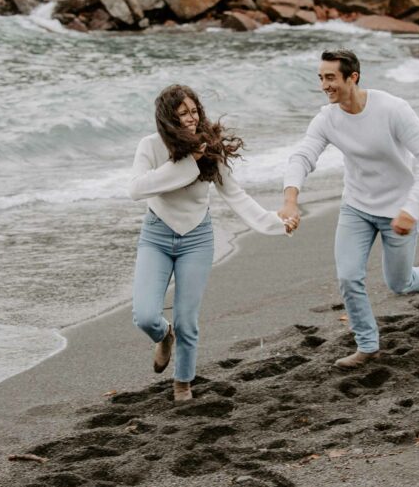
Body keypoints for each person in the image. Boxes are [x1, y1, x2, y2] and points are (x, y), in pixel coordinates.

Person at [128, 84, 298, 401]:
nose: (191, 119)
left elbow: (236, 195)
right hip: (157, 235)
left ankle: (182, 385)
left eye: (194, 111)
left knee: (187, 319)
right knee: (145, 316)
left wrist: (276, 223)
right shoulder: (150, 146)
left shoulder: (209, 147)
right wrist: (185, 161)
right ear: (168, 119)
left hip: (196, 238)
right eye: (183, 114)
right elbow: (137, 189)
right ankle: (164, 336)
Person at [281, 49, 419, 369]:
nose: (324, 85)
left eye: (331, 78)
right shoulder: (327, 118)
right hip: (356, 206)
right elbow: (303, 156)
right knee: (348, 276)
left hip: (398, 211)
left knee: (398, 284)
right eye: (321, 78)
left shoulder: (392, 109)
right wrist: (290, 198)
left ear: (352, 77)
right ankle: (367, 346)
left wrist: (412, 208)